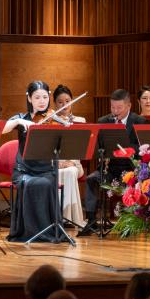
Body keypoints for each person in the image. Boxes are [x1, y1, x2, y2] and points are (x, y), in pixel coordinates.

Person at [3, 81, 67, 242]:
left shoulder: (53, 118)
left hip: (46, 170)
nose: (42, 101)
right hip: (23, 170)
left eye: (45, 97)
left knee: (45, 183)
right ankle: (29, 231)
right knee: (33, 184)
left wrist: (67, 126)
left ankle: (49, 231)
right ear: (29, 98)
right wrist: (18, 122)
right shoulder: (21, 118)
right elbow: (2, 129)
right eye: (37, 97)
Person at [79, 88, 146, 236]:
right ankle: (91, 221)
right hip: (110, 168)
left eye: (119, 108)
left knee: (134, 184)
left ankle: (129, 222)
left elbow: (142, 147)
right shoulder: (103, 121)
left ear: (129, 106)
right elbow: (97, 147)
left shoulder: (139, 121)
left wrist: (126, 147)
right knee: (91, 179)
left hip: (131, 169)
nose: (115, 111)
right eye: (112, 107)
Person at [52, 85, 86, 228]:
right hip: (55, 164)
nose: (64, 105)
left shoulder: (80, 121)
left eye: (67, 101)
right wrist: (56, 162)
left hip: (74, 163)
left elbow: (81, 147)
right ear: (55, 104)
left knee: (71, 171)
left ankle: (70, 218)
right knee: (62, 172)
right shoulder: (50, 121)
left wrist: (70, 162)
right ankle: (58, 218)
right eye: (60, 102)